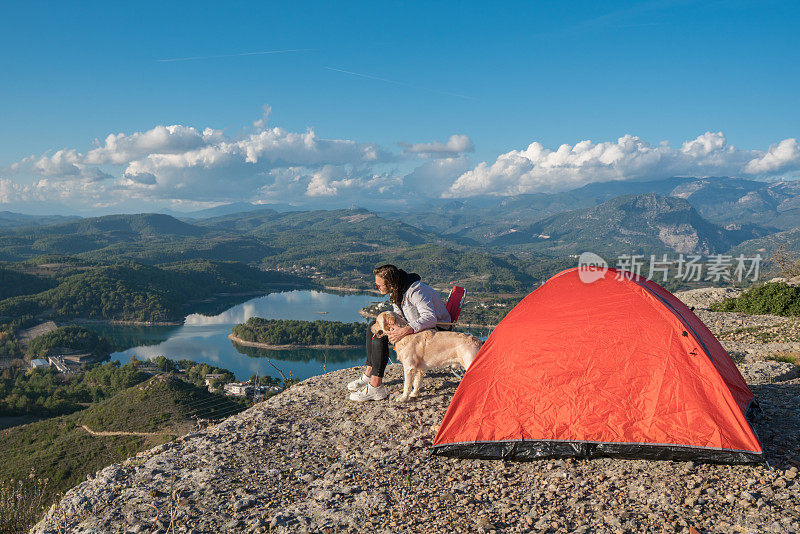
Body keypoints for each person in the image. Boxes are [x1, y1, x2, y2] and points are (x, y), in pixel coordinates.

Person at [347, 264, 451, 401]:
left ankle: (375, 386)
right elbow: (399, 313)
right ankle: (368, 374)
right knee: (374, 328)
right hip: (415, 326)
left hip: (434, 330)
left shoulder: (416, 291)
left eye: (379, 285)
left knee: (380, 337)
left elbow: (430, 318)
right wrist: (394, 325)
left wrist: (406, 329)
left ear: (390, 283)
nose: (377, 288)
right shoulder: (397, 290)